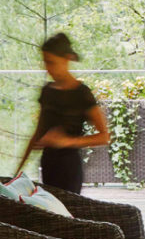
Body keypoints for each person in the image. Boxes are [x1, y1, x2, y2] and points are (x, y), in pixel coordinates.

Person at [17, 33, 110, 194]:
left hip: (70, 169)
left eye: (52, 62)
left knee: (65, 216)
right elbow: (38, 131)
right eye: (45, 62)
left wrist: (67, 141)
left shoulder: (82, 93)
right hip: (48, 165)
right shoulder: (47, 91)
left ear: (67, 59)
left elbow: (104, 136)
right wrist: (17, 170)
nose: (48, 68)